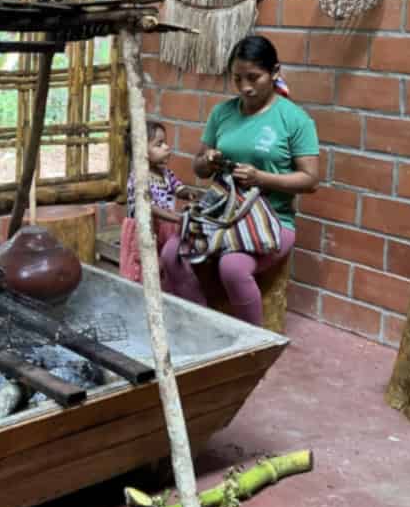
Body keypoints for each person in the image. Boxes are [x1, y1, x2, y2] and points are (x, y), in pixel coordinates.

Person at [159, 35, 320, 326]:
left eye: (254, 78)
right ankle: (203, 326)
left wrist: (261, 178)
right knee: (173, 255)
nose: (245, 87)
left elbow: (310, 180)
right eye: (237, 79)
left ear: (275, 72)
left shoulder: (294, 119)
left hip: (272, 219)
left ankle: (252, 346)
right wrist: (207, 160)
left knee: (233, 267)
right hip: (222, 213)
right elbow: (199, 167)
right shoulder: (223, 113)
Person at [119, 120, 188, 286]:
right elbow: (148, 208)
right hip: (143, 229)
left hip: (164, 228)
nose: (166, 147)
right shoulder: (139, 179)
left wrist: (189, 194)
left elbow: (178, 188)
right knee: (141, 266)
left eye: (165, 142)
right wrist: (176, 218)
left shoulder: (165, 173)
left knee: (162, 267)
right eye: (159, 144)